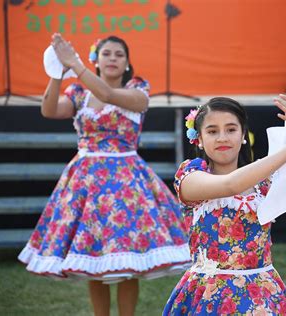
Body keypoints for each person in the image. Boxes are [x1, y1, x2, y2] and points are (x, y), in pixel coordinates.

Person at [18, 33, 191, 316]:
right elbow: (49, 110)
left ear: (127, 64)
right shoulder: (77, 93)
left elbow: (108, 95)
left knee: (128, 264)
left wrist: (75, 63)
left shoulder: (137, 88)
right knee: (93, 263)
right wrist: (57, 72)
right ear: (96, 60)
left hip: (126, 184)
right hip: (85, 184)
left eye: (119, 54)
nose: (112, 58)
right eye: (106, 53)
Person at [163, 95, 286, 315]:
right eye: (212, 131)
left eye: (231, 129)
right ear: (199, 139)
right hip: (209, 294)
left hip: (261, 291)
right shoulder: (190, 174)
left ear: (243, 135)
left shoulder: (262, 181)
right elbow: (230, 185)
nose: (222, 137)